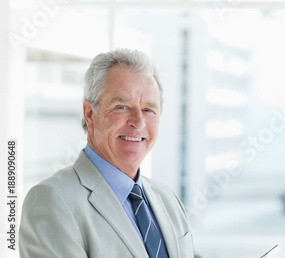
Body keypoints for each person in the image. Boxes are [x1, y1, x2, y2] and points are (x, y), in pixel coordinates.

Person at [20, 48, 199, 258]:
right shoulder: (51, 201)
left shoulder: (167, 198)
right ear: (90, 114)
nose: (138, 122)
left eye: (149, 110)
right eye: (122, 106)